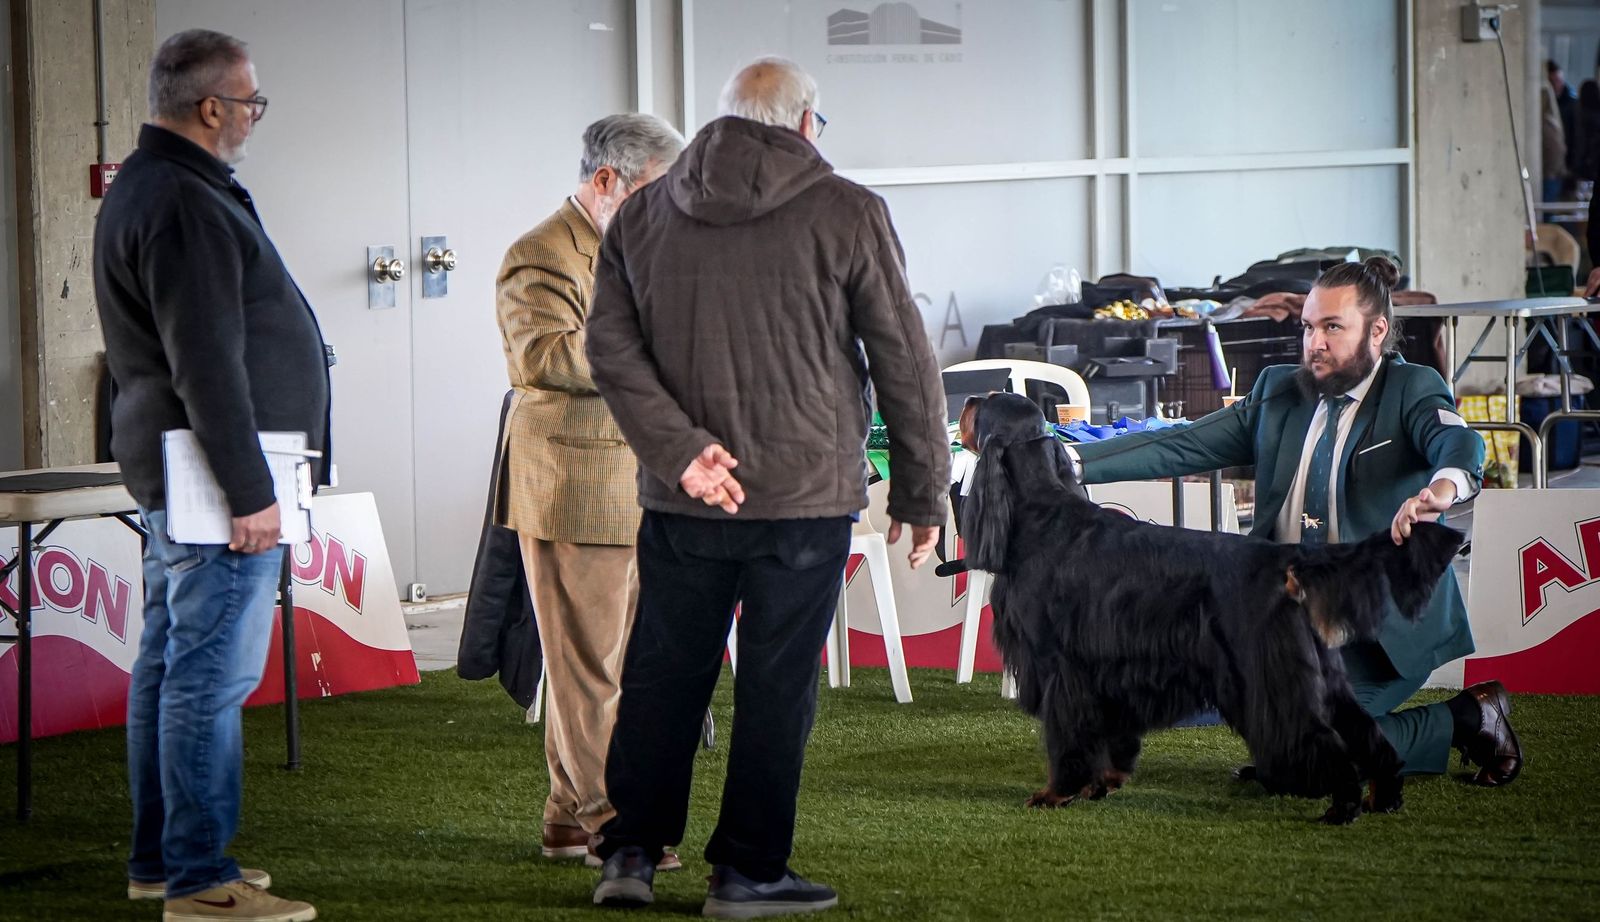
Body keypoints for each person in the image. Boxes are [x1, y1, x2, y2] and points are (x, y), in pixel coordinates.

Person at [584, 57, 950, 917]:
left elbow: (609, 351)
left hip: (685, 496)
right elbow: (904, 360)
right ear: (804, 122)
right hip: (805, 495)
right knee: (778, 686)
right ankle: (747, 872)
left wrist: (681, 451)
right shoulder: (850, 210)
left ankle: (631, 854)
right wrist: (923, 495)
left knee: (663, 673)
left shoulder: (642, 213)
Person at [1069, 258, 1521, 790]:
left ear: (1377, 331)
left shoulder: (1411, 389)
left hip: (1373, 627)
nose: (1315, 343)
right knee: (1208, 698)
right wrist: (1072, 462)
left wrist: (1439, 491)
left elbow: (1459, 444)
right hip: (1279, 619)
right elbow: (1181, 443)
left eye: (1333, 327)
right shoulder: (1278, 392)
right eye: (1309, 327)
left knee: (1315, 758)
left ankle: (1468, 718)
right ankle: (1282, 737)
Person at [94, 28, 329, 922]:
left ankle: (161, 860)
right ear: (210, 107)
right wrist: (252, 493)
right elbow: (207, 364)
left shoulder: (154, 185)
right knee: (205, 681)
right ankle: (199, 881)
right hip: (216, 485)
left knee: (168, 669)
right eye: (251, 102)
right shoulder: (184, 201)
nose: (255, 117)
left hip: (185, 478)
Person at [492, 113, 684, 871]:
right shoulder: (538, 255)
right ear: (607, 182)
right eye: (656, 194)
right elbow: (541, 357)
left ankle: (566, 819)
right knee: (589, 670)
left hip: (635, 482)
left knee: (611, 664)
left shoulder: (637, 247)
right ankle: (612, 823)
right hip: (573, 483)